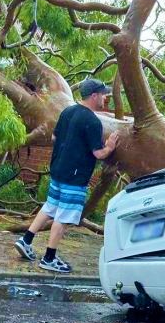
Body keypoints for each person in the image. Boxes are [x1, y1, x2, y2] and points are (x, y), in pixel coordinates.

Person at [14, 78, 120, 273]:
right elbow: (98, 153)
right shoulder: (92, 121)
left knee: (50, 207)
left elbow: (55, 137)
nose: (105, 98)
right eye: (103, 94)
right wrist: (110, 147)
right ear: (94, 96)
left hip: (59, 170)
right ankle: (49, 258)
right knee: (62, 217)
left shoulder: (67, 112)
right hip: (75, 177)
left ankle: (26, 240)